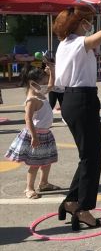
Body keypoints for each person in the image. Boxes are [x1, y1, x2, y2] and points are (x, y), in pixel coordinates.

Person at [53, 0, 101, 230]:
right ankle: (84, 209)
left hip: (71, 100)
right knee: (92, 157)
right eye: (87, 21)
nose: (90, 24)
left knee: (86, 155)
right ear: (77, 24)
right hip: (82, 99)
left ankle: (71, 201)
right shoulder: (79, 44)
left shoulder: (65, 45)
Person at [5, 65, 60, 199]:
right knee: (35, 164)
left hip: (45, 134)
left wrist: (52, 72)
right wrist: (34, 137)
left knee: (47, 161)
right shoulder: (32, 100)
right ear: (33, 83)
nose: (45, 84)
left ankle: (44, 183)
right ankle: (29, 188)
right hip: (36, 134)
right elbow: (27, 119)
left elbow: (51, 85)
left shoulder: (39, 93)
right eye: (42, 82)